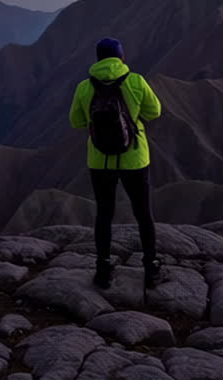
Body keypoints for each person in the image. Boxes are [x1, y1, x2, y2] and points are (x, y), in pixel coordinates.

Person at [69, 37, 163, 289]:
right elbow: (155, 112)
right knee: (143, 214)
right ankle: (151, 268)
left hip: (100, 161)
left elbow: (76, 121)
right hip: (135, 159)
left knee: (104, 214)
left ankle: (103, 269)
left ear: (98, 59)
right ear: (121, 57)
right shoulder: (135, 81)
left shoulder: (84, 87)